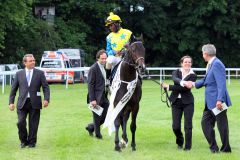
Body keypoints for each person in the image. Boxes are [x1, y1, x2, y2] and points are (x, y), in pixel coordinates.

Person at [186, 44, 232, 153]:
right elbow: (206, 80)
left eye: (203, 53)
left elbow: (221, 84)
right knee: (205, 123)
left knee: (222, 126)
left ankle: (226, 149)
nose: (202, 55)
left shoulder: (217, 64)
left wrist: (219, 100)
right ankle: (214, 148)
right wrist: (193, 84)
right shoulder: (211, 64)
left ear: (205, 54)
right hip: (210, 102)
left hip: (218, 102)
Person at [9, 54, 50, 148]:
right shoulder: (19, 74)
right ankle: (23, 141)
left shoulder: (40, 73)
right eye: (31, 61)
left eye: (34, 60)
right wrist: (11, 102)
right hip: (22, 103)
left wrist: (46, 99)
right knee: (20, 122)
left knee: (33, 124)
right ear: (25, 63)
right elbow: (13, 89)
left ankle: (32, 143)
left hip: (35, 102)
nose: (33, 62)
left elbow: (46, 87)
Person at [161, 56, 197, 151]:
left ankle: (188, 147)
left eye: (189, 62)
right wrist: (183, 82)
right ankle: (180, 141)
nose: (187, 64)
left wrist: (169, 87)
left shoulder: (193, 75)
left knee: (188, 126)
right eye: (185, 62)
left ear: (191, 64)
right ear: (182, 63)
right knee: (175, 126)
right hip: (176, 102)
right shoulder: (176, 72)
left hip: (188, 102)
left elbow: (184, 89)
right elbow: (175, 79)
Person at [85, 49, 109, 139]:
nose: (104, 60)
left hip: (104, 96)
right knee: (97, 117)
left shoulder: (104, 67)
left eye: (105, 58)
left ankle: (91, 127)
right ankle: (98, 135)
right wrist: (92, 100)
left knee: (107, 115)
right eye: (102, 58)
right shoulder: (93, 68)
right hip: (95, 98)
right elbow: (90, 85)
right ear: (97, 58)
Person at [105, 12, 132, 81]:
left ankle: (139, 78)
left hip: (127, 58)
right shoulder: (109, 37)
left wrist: (125, 51)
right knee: (109, 60)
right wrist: (114, 52)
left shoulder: (128, 33)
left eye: (111, 25)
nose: (110, 27)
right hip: (116, 58)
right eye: (109, 26)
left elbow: (134, 46)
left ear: (117, 24)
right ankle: (107, 80)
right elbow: (108, 51)